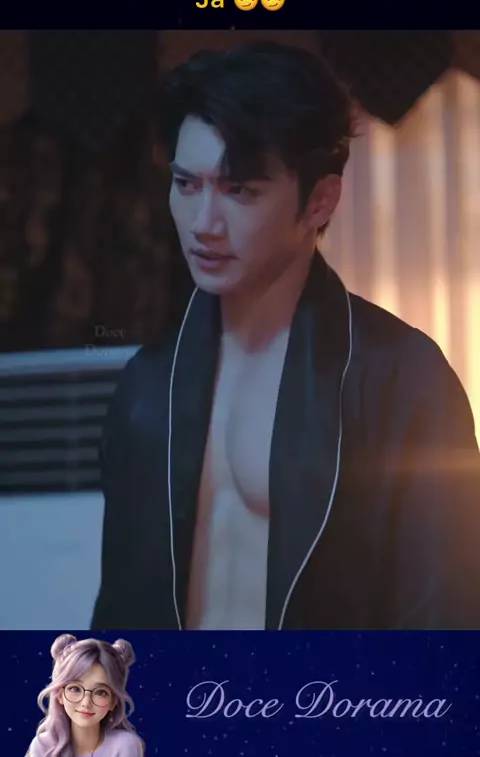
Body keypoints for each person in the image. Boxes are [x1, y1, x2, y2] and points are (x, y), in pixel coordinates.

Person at [92, 40, 480, 631]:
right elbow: (117, 613)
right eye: (187, 184)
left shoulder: (400, 377)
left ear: (320, 200)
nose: (203, 224)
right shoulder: (147, 386)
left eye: (240, 191)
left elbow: (445, 620)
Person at [26, 634, 144, 756]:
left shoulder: (126, 744)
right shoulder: (43, 746)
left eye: (100, 692)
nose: (86, 703)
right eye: (75, 689)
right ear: (60, 695)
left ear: (113, 701)